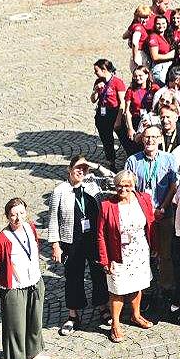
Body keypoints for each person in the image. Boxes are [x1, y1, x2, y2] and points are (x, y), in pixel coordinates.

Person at [0, 198, 52, 359]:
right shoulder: (2, 239)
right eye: (14, 215)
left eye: (21, 213)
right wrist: (0, 279)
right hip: (14, 288)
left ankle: (33, 352)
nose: (18, 218)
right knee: (14, 327)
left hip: (34, 282)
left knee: (35, 320)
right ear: (7, 216)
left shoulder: (30, 228)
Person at [46, 156, 108, 335]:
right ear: (69, 169)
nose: (81, 171)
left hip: (93, 238)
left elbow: (112, 178)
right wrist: (55, 245)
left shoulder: (93, 184)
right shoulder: (60, 190)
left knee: (99, 273)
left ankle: (103, 307)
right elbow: (53, 219)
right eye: (77, 168)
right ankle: (73, 315)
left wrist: (94, 165)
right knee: (73, 276)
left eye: (84, 168)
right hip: (71, 240)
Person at [96, 171, 155, 343]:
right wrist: (104, 259)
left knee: (138, 284)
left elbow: (151, 223)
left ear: (133, 185)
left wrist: (155, 246)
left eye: (127, 185)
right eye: (119, 185)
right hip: (117, 254)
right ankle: (115, 324)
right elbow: (100, 235)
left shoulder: (144, 199)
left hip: (139, 251)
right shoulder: (107, 206)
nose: (123, 189)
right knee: (117, 289)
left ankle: (136, 315)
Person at [92, 59, 127, 168]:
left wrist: (118, 120)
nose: (95, 73)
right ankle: (111, 161)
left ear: (104, 70)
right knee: (106, 139)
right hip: (102, 114)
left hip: (115, 113)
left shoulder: (117, 82)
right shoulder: (98, 82)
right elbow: (93, 100)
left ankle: (131, 158)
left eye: (96, 71)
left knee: (124, 138)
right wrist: (96, 90)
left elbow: (122, 102)